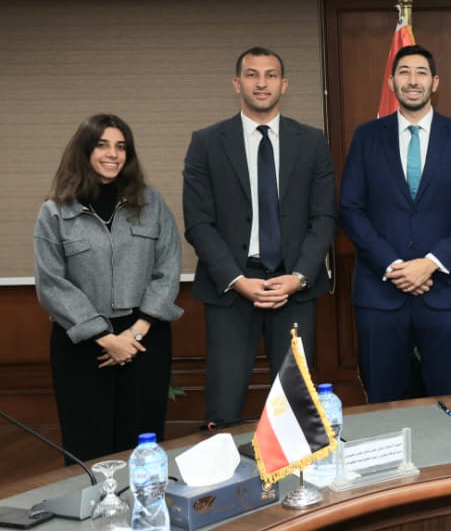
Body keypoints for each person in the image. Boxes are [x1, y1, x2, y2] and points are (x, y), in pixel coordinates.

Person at [183, 47, 337, 427]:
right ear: (237, 84)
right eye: (252, 74)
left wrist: (298, 277)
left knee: (295, 406)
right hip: (231, 289)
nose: (262, 83)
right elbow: (198, 223)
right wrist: (237, 280)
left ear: (284, 84)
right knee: (223, 405)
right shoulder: (207, 142)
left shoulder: (312, 142)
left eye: (271, 75)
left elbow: (324, 217)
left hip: (294, 286)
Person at [341, 44, 451, 401]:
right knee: (384, 404)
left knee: (449, 404)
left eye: (421, 73)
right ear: (391, 82)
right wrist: (393, 265)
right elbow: (350, 208)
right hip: (381, 294)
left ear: (435, 82)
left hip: (447, 292)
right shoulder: (366, 137)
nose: (413, 80)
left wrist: (430, 263)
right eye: (404, 72)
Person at [34, 114, 183, 462]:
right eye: (102, 145)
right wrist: (106, 338)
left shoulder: (151, 202)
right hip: (82, 344)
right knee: (88, 446)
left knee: (142, 445)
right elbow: (52, 283)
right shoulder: (55, 211)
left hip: (144, 338)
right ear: (84, 151)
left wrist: (136, 332)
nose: (113, 154)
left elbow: (168, 266)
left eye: (121, 146)